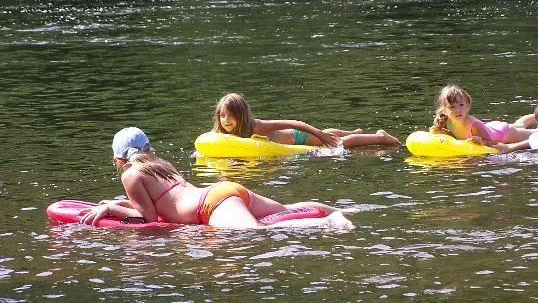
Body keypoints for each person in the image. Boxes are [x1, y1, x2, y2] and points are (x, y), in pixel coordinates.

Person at [79, 127, 341, 228]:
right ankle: (339, 209)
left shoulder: (131, 175)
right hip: (222, 191)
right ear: (148, 149)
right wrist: (119, 204)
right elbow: (161, 203)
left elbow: (149, 217)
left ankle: (329, 222)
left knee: (256, 231)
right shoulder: (161, 164)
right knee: (287, 210)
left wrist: (112, 207)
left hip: (210, 206)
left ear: (119, 160)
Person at [212, 92, 400, 148]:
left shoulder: (256, 126)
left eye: (231, 116)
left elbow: (294, 123)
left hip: (298, 136)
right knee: (326, 134)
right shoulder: (224, 132)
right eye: (222, 116)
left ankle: (379, 137)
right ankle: (352, 131)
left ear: (241, 116)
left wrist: (318, 134)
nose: (226, 120)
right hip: (296, 136)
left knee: (338, 143)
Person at [429, 84, 538, 145]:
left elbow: (489, 142)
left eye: (461, 105)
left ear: (468, 106)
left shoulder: (473, 124)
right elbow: (456, 136)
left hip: (502, 134)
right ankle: (537, 116)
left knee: (535, 133)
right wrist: (441, 131)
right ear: (444, 111)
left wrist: (481, 141)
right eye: (452, 107)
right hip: (490, 127)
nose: (458, 110)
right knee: (517, 125)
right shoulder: (447, 122)